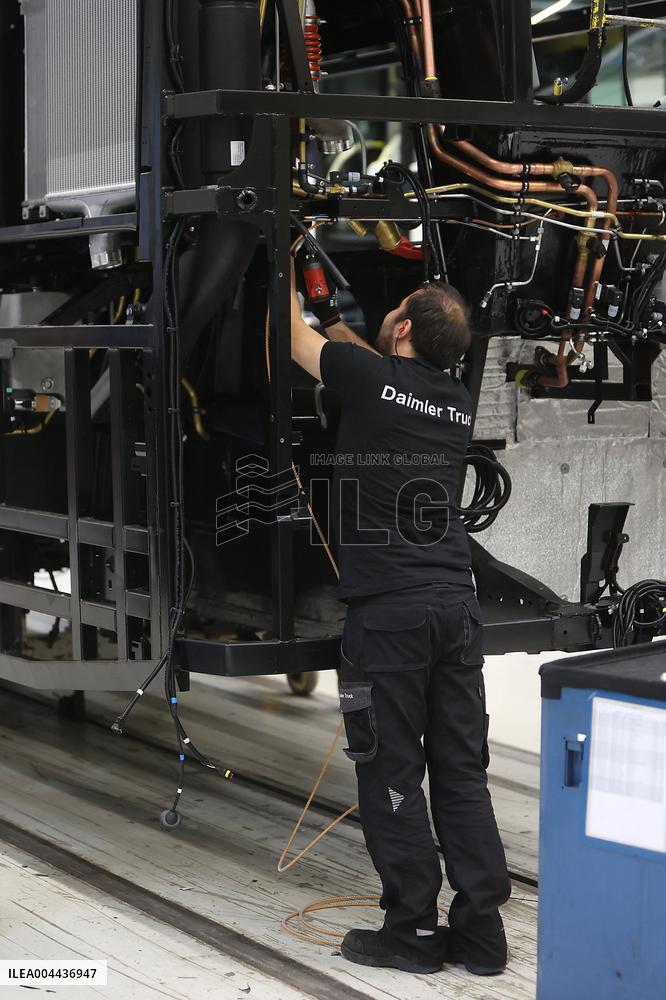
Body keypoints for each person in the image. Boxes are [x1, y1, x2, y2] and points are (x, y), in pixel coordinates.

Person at [290, 259, 511, 976]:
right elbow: (348, 347)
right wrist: (322, 289)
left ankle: (410, 930)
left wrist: (268, 262)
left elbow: (290, 338)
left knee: (388, 767)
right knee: (460, 773)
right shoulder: (451, 399)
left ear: (406, 328)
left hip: (388, 621)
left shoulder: (370, 380)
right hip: (455, 609)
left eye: (396, 314)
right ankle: (480, 935)